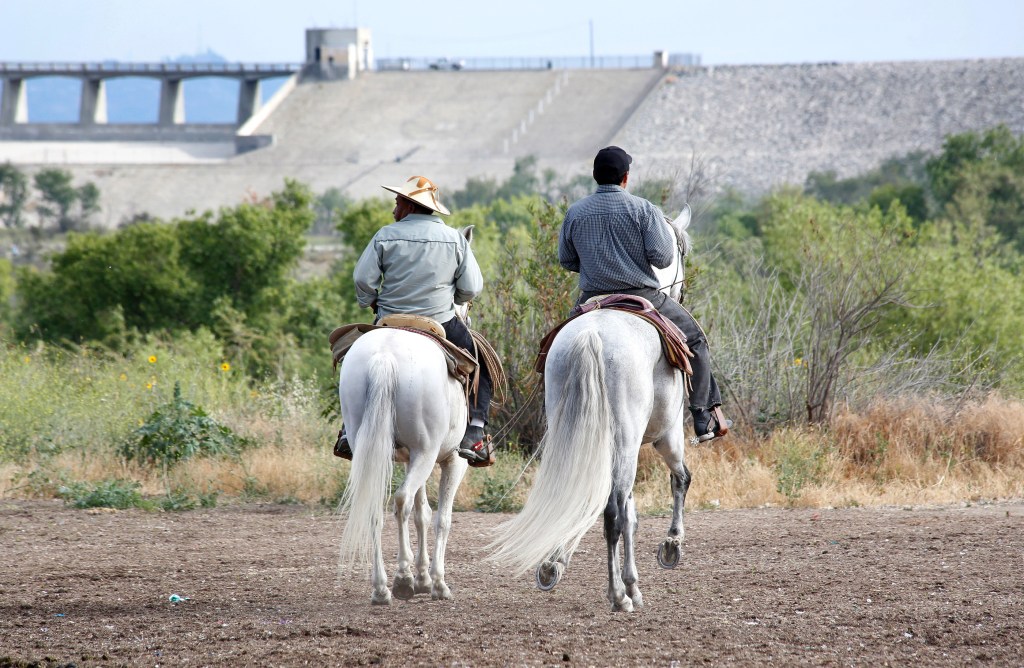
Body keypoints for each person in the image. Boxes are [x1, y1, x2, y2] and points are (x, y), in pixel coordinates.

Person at [558, 146, 730, 443]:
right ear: (626, 178)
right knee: (697, 339)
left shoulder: (575, 212)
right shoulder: (643, 209)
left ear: (596, 177)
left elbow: (567, 260)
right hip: (643, 294)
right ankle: (702, 416)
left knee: (555, 346)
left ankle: (558, 416)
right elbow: (663, 259)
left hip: (591, 299)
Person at [334, 175, 494, 466]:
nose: (394, 210)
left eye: (397, 203)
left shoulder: (385, 235)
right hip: (440, 322)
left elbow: (362, 278)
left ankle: (348, 431)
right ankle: (476, 433)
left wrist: (370, 301)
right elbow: (472, 288)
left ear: (409, 206)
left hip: (390, 321)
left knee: (352, 359)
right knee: (482, 364)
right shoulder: (455, 238)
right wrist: (451, 298)